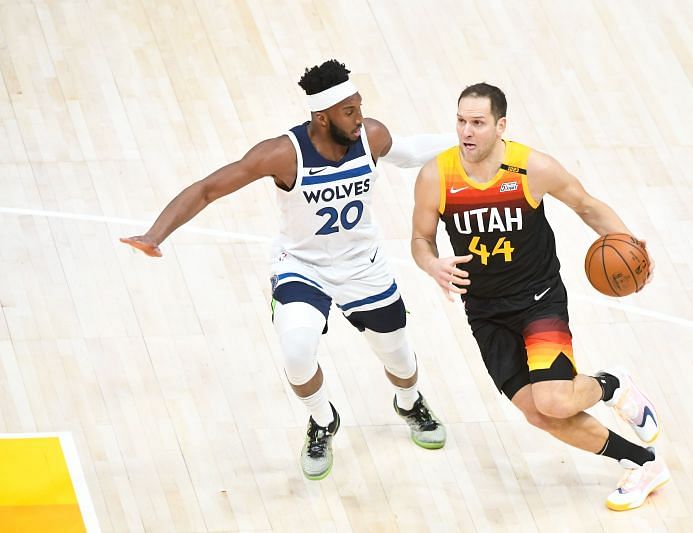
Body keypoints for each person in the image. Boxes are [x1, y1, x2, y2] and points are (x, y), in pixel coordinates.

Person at [121, 59, 451, 481]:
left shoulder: (371, 135)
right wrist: (155, 235)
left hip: (363, 268)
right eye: (348, 112)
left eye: (359, 107)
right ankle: (322, 420)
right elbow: (207, 189)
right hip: (302, 266)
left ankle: (409, 402)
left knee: (400, 359)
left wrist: (471, 142)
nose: (358, 118)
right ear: (321, 117)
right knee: (297, 354)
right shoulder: (282, 153)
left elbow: (407, 154)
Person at [410, 82, 670, 511]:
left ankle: (611, 385)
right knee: (538, 412)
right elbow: (420, 239)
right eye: (461, 121)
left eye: (477, 123)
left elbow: (586, 205)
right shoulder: (437, 176)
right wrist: (432, 263)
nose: (467, 132)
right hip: (485, 312)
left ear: (500, 125)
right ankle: (644, 464)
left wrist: (633, 247)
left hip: (538, 300)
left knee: (554, 398)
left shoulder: (530, 167)